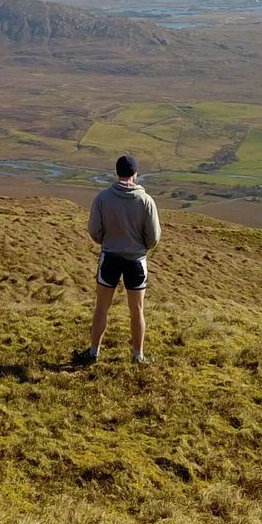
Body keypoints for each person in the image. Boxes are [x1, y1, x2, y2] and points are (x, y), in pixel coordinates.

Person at [78, 153, 160, 365]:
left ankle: (94, 352)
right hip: (136, 261)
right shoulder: (146, 201)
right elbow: (154, 237)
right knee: (137, 310)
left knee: (101, 307)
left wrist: (108, 242)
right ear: (135, 174)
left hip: (110, 258)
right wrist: (140, 247)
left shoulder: (103, 198)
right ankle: (137, 356)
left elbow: (94, 230)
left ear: (117, 173)